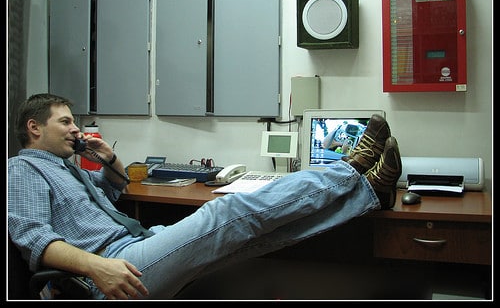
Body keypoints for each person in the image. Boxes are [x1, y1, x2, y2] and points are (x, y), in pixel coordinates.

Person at [8, 93, 402, 300]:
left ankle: (371, 191)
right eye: (66, 122)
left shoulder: (69, 167)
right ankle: (352, 167)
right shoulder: (21, 170)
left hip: (135, 244)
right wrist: (97, 268)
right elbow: (33, 238)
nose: (75, 129)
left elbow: (116, 192)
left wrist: (108, 157)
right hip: (109, 272)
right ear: (34, 128)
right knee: (227, 211)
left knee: (253, 236)